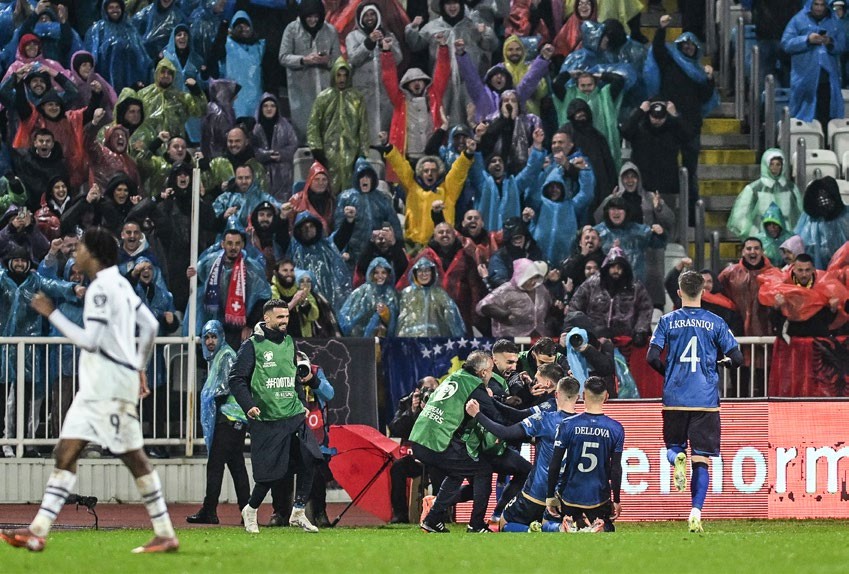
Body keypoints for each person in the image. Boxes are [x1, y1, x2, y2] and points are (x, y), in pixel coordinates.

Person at [2, 226, 177, 553]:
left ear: (93, 253)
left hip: (107, 385)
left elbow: (89, 340)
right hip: (101, 385)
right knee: (66, 451)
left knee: (132, 456)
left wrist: (51, 312)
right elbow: (150, 326)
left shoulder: (99, 291)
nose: (76, 251)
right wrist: (139, 365)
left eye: (80, 247)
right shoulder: (122, 284)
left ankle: (166, 531)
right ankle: (38, 530)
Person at [647, 270, 743, 533]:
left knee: (674, 446)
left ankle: (677, 457)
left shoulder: (667, 321)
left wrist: (669, 373)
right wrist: (720, 363)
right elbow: (737, 358)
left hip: (675, 398)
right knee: (701, 459)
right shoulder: (716, 322)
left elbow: (651, 357)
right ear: (703, 292)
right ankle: (696, 511)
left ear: (679, 292)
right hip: (705, 400)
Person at [228, 299, 324, 534]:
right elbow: (236, 379)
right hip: (267, 418)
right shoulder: (252, 346)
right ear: (267, 318)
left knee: (311, 458)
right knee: (270, 474)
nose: (285, 321)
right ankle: (251, 509)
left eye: (287, 317)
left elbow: (294, 378)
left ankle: (298, 512)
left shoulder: (290, 342)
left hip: (292, 414)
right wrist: (248, 405)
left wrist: (301, 403)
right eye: (280, 317)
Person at [465, 376, 580, 532]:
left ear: (556, 394)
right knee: (549, 520)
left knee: (504, 523)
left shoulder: (545, 419)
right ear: (578, 397)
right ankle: (556, 527)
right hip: (567, 498)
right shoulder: (582, 424)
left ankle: (540, 530)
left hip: (537, 494)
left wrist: (477, 414)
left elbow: (505, 433)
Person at [409, 351, 503, 533]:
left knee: (456, 472)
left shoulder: (455, 377)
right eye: (491, 371)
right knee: (483, 470)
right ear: (483, 372)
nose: (491, 375)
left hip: (420, 439)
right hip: (436, 442)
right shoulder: (474, 385)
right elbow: (496, 415)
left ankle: (432, 519)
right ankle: (476, 525)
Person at [187, 320, 250, 525]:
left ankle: (210, 510)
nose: (210, 341)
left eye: (213, 336)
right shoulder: (221, 357)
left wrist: (212, 404)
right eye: (206, 337)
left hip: (228, 418)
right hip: (234, 420)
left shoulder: (226, 356)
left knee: (216, 465)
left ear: (221, 336)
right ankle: (247, 511)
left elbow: (223, 390)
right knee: (236, 465)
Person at [782, 0, 846, 128]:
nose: (819, 8)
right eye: (816, 4)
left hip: (827, 80)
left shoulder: (834, 22)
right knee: (802, 119)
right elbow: (786, 43)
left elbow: (842, 45)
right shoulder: (798, 20)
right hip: (804, 79)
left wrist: (830, 42)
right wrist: (807, 39)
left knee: (827, 117)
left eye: (822, 5)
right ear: (810, 4)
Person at [388, 375, 439, 523]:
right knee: (397, 467)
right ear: (418, 391)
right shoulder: (406, 403)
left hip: (437, 455)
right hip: (415, 457)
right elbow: (396, 429)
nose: (430, 394)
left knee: (440, 470)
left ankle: (439, 513)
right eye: (427, 390)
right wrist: (412, 411)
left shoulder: (444, 403)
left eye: (434, 390)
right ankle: (400, 514)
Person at [727, 149, 803, 241]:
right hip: (761, 240)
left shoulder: (791, 188)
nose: (775, 168)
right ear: (766, 165)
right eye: (771, 164)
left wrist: (792, 235)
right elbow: (739, 216)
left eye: (778, 164)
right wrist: (754, 235)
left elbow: (799, 214)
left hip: (786, 240)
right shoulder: (754, 189)